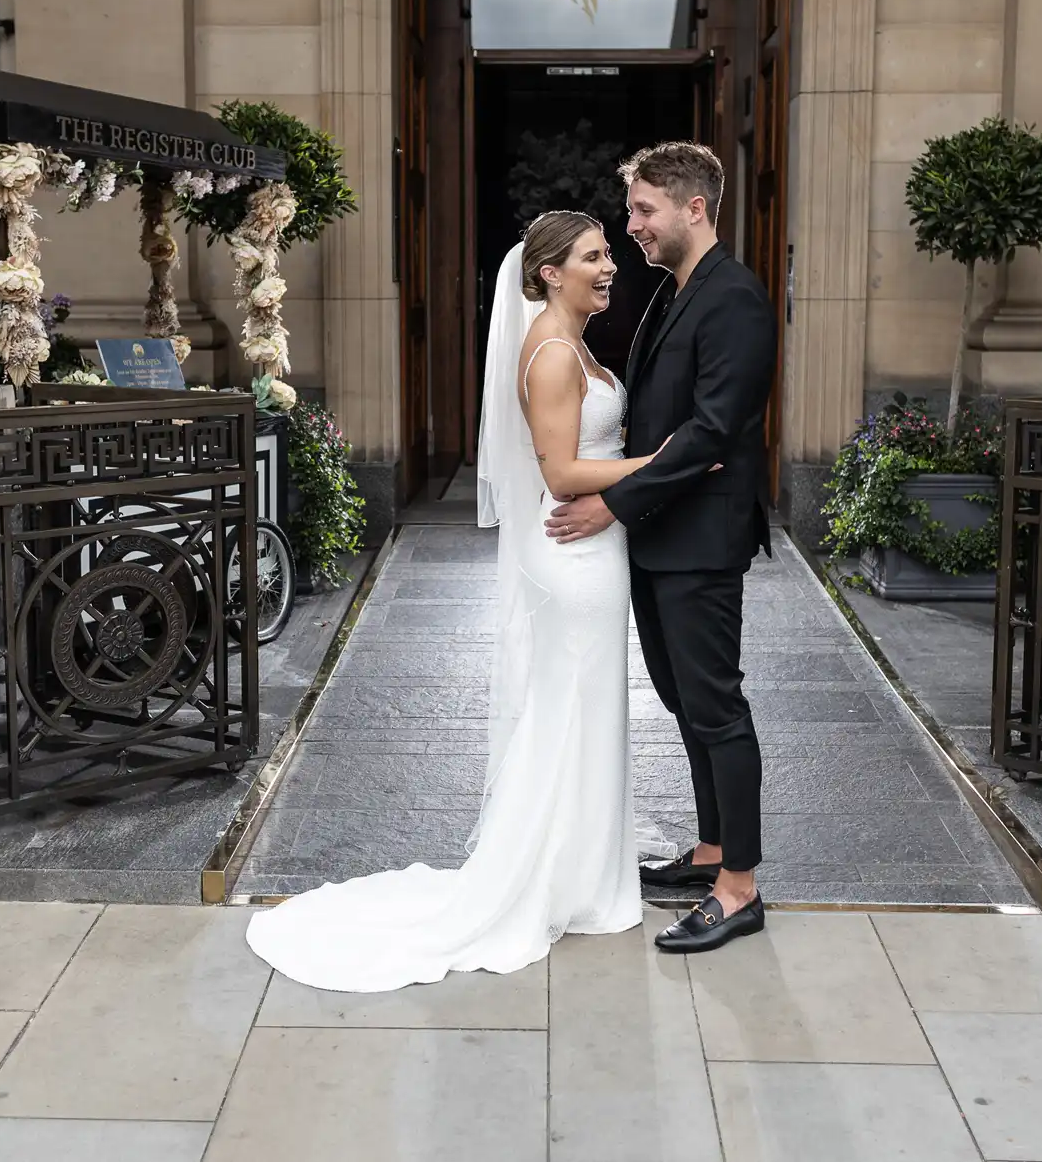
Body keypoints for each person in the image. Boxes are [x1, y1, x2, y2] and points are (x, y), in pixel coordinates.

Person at [245, 211, 665, 992]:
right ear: (547, 272)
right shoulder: (548, 354)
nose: (609, 266)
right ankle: (549, 878)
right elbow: (564, 474)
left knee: (586, 707)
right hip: (571, 554)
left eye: (609, 253)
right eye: (592, 256)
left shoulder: (572, 343)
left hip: (595, 551)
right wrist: (662, 460)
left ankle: (580, 874)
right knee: (563, 709)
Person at [546, 141, 778, 954]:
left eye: (644, 210)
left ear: (694, 208)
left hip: (701, 540)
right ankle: (711, 847)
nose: (632, 225)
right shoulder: (679, 291)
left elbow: (713, 430)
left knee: (717, 708)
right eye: (632, 210)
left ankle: (738, 887)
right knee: (685, 702)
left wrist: (612, 500)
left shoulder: (736, 299)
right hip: (662, 540)